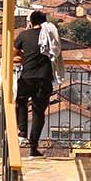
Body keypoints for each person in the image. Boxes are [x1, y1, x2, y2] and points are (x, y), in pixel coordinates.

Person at [15, 10, 61, 157]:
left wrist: (25, 56)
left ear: (31, 22)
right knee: (38, 113)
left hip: (27, 77)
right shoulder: (50, 36)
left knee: (21, 102)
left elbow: (14, 52)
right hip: (44, 79)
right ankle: (33, 147)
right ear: (44, 22)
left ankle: (22, 132)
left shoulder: (24, 35)